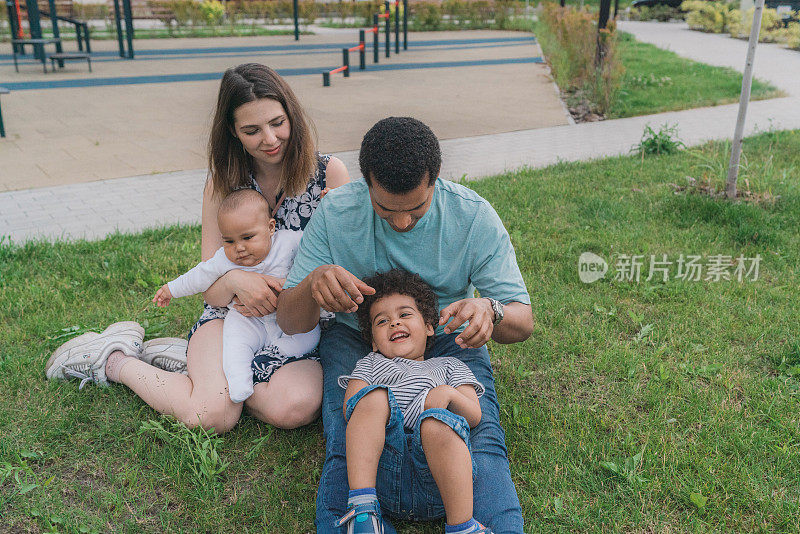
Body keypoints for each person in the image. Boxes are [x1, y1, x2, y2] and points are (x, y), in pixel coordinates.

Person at [45, 63, 349, 432]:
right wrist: (237, 279)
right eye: (251, 130)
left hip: (298, 328)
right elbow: (212, 289)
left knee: (294, 409)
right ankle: (114, 359)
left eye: (277, 123)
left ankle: (198, 371)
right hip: (234, 317)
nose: (269, 138)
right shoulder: (223, 185)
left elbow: (343, 261)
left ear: (293, 118)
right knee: (212, 416)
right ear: (233, 133)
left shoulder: (329, 173)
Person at [277, 117, 534, 533]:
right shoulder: (337, 212)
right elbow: (289, 320)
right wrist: (312, 283)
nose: (400, 223)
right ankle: (361, 518)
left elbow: (523, 321)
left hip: (446, 331)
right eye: (385, 209)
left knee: (482, 435)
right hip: (357, 335)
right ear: (365, 185)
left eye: (416, 210)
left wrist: (492, 309)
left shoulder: (472, 216)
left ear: (435, 180)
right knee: (346, 435)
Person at [339, 269, 491, 534]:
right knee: (371, 397)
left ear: (430, 327)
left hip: (441, 480)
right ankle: (362, 509)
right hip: (380, 470)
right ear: (373, 342)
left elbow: (475, 414)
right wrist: (380, 402)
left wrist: (449, 395)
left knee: (438, 422)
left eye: (404, 314)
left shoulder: (448, 366)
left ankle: (462, 526)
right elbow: (351, 407)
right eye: (382, 321)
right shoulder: (371, 363)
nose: (394, 323)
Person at [152, 189, 320, 403]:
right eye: (229, 241)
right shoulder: (224, 259)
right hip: (248, 318)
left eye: (248, 237)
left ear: (270, 228)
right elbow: (198, 276)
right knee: (234, 341)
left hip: (287, 317)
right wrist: (170, 289)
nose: (239, 248)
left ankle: (276, 353)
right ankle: (239, 381)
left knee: (308, 336)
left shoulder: (288, 242)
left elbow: (316, 243)